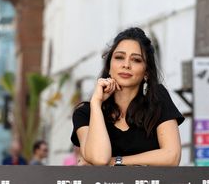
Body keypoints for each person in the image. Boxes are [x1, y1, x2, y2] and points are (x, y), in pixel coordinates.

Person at [71, 27, 184, 166]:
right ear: (109, 66)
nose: (126, 65)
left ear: (146, 71)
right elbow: (100, 159)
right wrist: (96, 103)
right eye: (119, 57)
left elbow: (172, 157)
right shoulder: (85, 112)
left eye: (136, 60)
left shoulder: (157, 100)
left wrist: (116, 161)